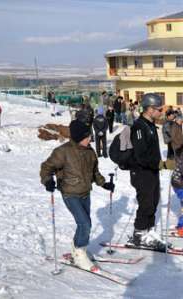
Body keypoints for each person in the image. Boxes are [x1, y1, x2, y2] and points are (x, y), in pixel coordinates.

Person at [39, 119, 115, 271]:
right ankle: (80, 254)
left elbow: (94, 172)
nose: (90, 139)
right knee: (85, 224)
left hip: (85, 192)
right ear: (79, 136)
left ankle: (77, 249)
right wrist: (47, 181)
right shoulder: (63, 152)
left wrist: (103, 183)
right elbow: (46, 167)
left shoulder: (90, 151)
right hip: (70, 193)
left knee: (84, 223)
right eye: (87, 136)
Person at [127, 93, 169, 250]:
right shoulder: (139, 127)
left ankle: (148, 232)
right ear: (150, 109)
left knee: (153, 202)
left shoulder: (150, 125)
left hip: (152, 171)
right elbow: (141, 156)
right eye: (159, 109)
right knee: (146, 204)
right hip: (141, 172)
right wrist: (162, 164)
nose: (161, 112)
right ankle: (139, 234)